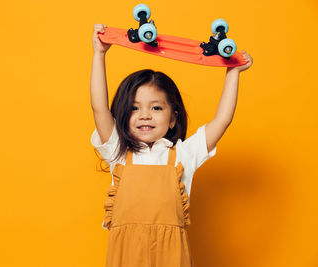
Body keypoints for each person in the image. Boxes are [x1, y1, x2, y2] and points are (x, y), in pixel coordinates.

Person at [90, 23, 253, 267]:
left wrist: (233, 72)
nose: (145, 115)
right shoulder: (118, 152)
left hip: (172, 255)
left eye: (156, 107)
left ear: (173, 117)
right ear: (123, 114)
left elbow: (222, 120)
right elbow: (99, 108)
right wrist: (99, 54)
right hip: (126, 254)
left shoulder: (184, 155)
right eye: (135, 108)